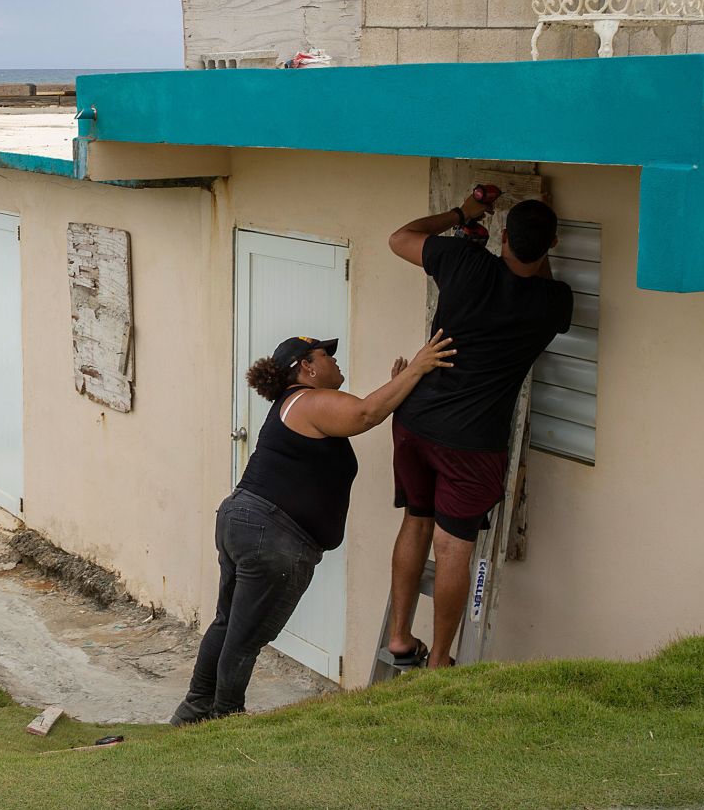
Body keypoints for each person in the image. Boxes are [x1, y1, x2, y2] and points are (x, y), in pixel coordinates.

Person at [171, 328, 457, 725]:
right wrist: (418, 370)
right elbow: (364, 414)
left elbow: (364, 411)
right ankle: (224, 720)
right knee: (246, 635)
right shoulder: (307, 401)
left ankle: (194, 712)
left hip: (247, 521)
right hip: (271, 533)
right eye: (325, 355)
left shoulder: (297, 404)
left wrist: (399, 384)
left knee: (229, 622)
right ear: (306, 368)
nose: (334, 360)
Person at [382, 191, 574, 669]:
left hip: (415, 421)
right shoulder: (552, 305)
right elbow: (539, 282)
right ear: (552, 243)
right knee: (452, 548)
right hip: (471, 446)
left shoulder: (463, 261)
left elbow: (400, 238)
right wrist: (539, 252)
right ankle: (439, 662)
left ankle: (400, 637)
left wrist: (462, 214)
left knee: (416, 522)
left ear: (503, 236)